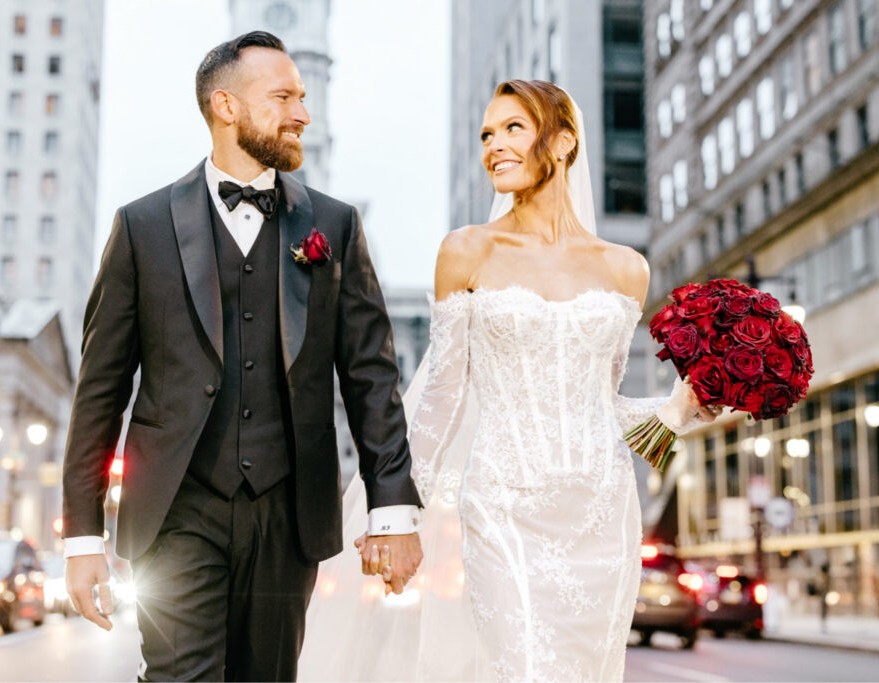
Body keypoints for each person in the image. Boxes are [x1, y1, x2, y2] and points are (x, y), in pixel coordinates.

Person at [299, 80, 718, 682]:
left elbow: (601, 407)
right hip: (503, 503)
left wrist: (679, 409)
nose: (493, 145)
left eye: (512, 129)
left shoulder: (627, 270)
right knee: (520, 667)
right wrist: (396, 513)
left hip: (603, 512)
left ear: (565, 141)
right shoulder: (467, 251)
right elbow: (441, 397)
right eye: (487, 134)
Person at [60, 31, 423, 681]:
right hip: (175, 509)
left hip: (289, 513)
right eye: (283, 96)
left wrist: (391, 507)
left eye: (304, 97)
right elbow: (100, 389)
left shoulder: (333, 227)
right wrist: (82, 535)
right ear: (225, 106)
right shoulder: (142, 226)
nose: (303, 114)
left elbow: (371, 373)